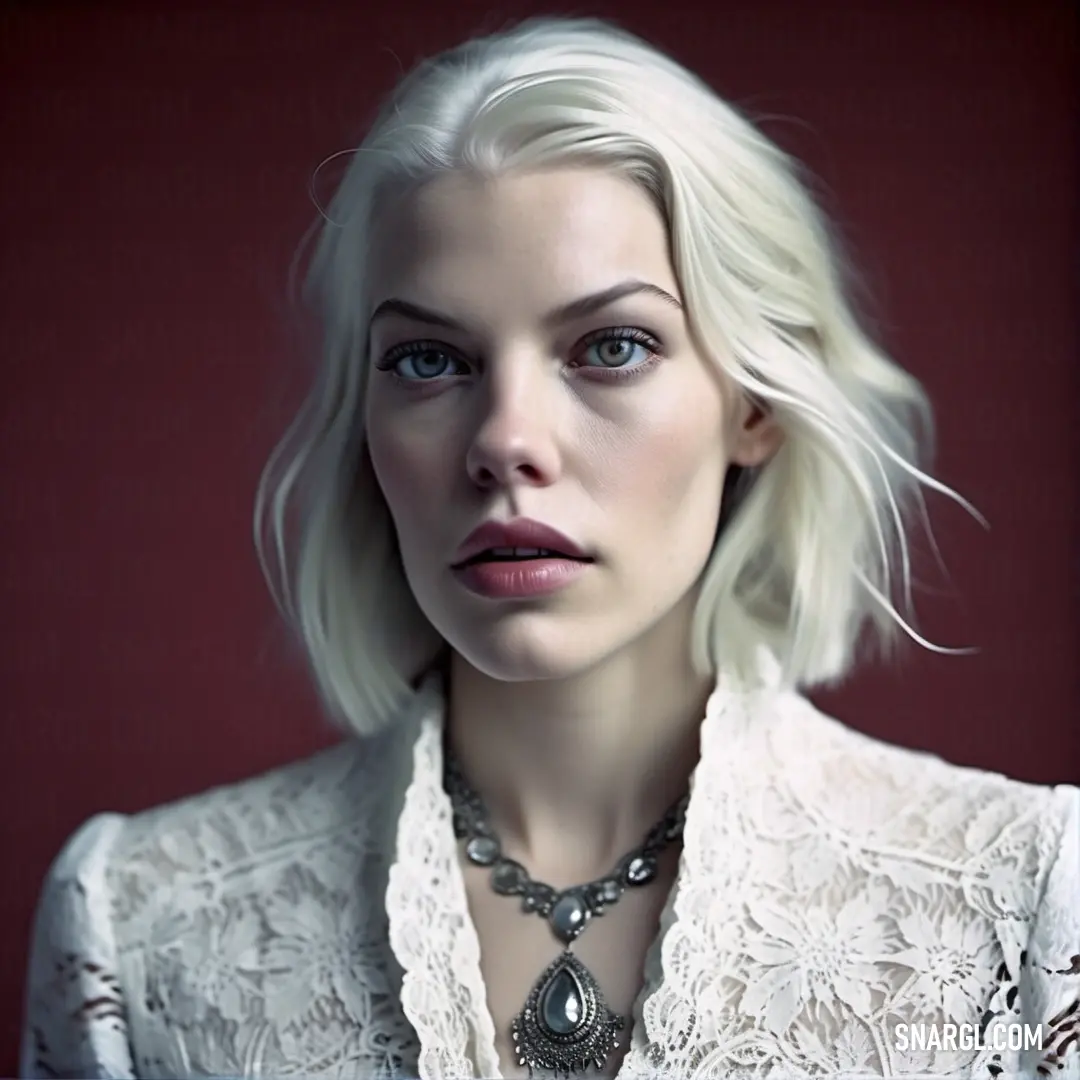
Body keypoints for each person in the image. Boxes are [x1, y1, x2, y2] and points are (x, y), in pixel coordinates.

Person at [21, 15, 1078, 1080]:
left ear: (753, 404)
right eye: (429, 360)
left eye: (611, 347)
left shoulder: (1019, 903)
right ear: (363, 419)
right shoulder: (140, 925)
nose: (505, 442)